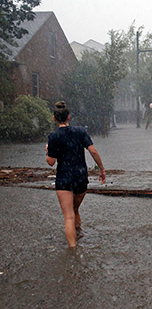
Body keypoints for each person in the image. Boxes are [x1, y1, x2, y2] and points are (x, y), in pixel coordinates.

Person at [46, 101, 106, 247]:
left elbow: (51, 162)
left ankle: (73, 251)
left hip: (64, 179)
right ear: (69, 117)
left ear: (54, 119)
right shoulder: (80, 131)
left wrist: (48, 149)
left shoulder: (54, 136)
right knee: (75, 208)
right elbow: (93, 151)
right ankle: (79, 233)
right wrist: (102, 170)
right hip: (80, 177)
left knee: (69, 217)